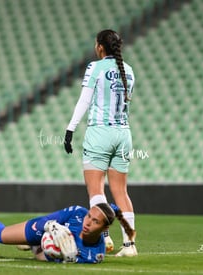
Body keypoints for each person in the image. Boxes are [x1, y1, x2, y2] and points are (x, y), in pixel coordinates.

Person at [64, 29, 137, 257]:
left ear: (99, 47)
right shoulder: (129, 71)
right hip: (123, 134)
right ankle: (130, 245)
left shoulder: (95, 68)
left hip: (100, 132)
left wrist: (70, 129)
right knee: (121, 192)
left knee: (96, 190)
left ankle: (105, 237)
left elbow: (85, 100)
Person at [0, 203, 134, 264]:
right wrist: (51, 227)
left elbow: (50, 258)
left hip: (48, 243)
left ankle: (33, 244)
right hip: (46, 227)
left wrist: (51, 248)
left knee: (39, 254)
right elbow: (46, 219)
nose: (88, 223)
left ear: (103, 229)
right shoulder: (78, 213)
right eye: (89, 217)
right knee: (2, 236)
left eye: (95, 222)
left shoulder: (95, 254)